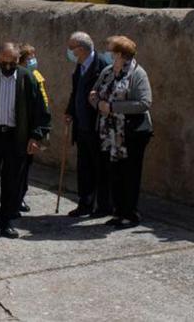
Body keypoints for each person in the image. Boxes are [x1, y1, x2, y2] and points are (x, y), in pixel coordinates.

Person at [0, 43, 50, 241]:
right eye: (4, 62)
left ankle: (6, 222)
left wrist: (35, 136)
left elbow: (40, 111)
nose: (7, 67)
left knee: (12, 183)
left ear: (17, 60)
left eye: (11, 63)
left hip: (16, 137)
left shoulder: (27, 79)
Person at [89, 36, 153, 229]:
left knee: (130, 174)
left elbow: (144, 103)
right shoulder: (108, 72)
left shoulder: (137, 74)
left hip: (130, 133)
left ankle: (130, 213)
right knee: (114, 172)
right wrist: (97, 103)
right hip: (109, 133)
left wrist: (113, 107)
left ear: (120, 54)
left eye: (110, 51)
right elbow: (94, 93)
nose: (107, 53)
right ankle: (118, 211)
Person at [64, 31, 112, 217]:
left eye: (72, 48)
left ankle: (104, 206)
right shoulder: (80, 65)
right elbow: (76, 91)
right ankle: (85, 203)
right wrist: (70, 111)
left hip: (97, 127)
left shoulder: (102, 66)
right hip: (82, 126)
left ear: (81, 49)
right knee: (84, 167)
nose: (70, 52)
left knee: (101, 167)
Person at [14, 44, 51, 215]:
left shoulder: (36, 76)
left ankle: (20, 196)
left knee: (26, 165)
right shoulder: (19, 78)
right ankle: (14, 198)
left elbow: (43, 102)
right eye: (29, 58)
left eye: (33, 57)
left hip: (33, 127)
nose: (33, 61)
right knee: (18, 167)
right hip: (20, 129)